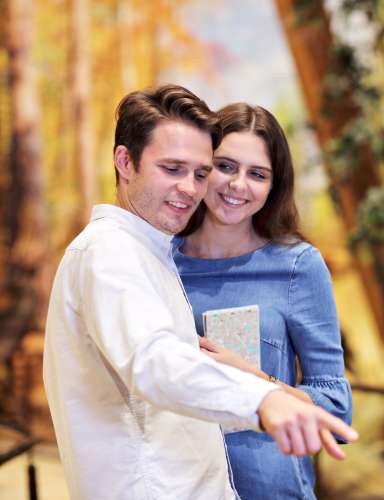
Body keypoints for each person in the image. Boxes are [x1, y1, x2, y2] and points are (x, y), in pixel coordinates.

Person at [42, 84, 357, 500]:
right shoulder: (112, 253)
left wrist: (262, 384)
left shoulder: (153, 254)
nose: (190, 187)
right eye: (172, 169)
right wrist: (262, 398)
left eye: (199, 172)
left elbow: (334, 403)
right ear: (125, 161)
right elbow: (155, 361)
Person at [173, 102, 351, 499]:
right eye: (226, 166)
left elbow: (336, 407)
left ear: (274, 186)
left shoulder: (296, 267)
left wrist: (256, 381)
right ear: (203, 166)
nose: (238, 185)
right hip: (180, 485)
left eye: (257, 174)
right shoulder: (161, 262)